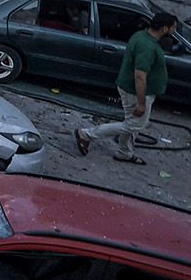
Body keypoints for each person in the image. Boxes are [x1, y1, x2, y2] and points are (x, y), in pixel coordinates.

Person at [75, 11, 177, 165]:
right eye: (173, 28)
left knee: (131, 123)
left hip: (132, 89)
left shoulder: (142, 36)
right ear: (164, 29)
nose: (174, 31)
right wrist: (141, 103)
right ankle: (87, 134)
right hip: (135, 92)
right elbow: (140, 76)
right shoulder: (147, 47)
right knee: (134, 125)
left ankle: (124, 153)